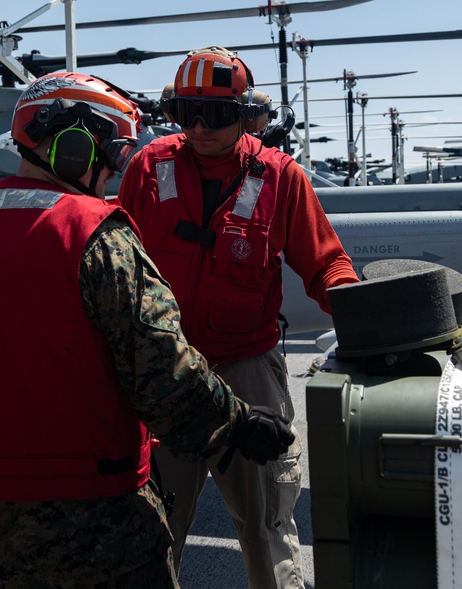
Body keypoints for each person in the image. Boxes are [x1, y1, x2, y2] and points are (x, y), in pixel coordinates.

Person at [0, 71, 294, 589]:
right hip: (101, 519)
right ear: (75, 146)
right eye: (113, 152)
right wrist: (241, 424)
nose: (115, 170)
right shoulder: (96, 236)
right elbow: (163, 374)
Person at [118, 47, 359, 589]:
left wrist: (364, 317)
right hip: (167, 375)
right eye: (187, 113)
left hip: (248, 369)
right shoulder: (148, 168)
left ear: (244, 112)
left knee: (266, 528)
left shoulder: (279, 177)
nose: (200, 128)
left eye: (217, 115)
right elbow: (116, 264)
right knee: (155, 527)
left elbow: (326, 262)